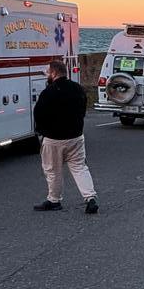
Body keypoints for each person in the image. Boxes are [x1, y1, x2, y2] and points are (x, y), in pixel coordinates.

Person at [32, 59, 98, 213]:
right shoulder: (78, 89)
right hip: (75, 136)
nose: (47, 75)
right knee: (79, 167)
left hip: (53, 139)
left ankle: (54, 200)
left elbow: (39, 114)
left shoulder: (48, 92)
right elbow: (82, 111)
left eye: (48, 72)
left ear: (54, 73)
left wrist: (41, 132)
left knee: (53, 170)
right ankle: (90, 198)